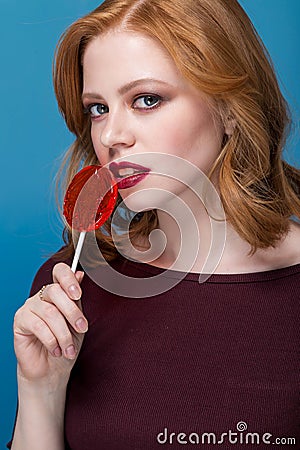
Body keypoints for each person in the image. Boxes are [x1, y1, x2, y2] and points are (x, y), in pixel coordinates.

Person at [9, 0, 300, 448]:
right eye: (98, 109)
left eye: (146, 100)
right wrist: (39, 389)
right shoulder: (68, 291)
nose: (110, 136)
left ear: (228, 108)